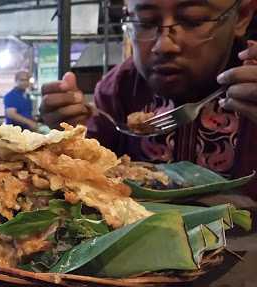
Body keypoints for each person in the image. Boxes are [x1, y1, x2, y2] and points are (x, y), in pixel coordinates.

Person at [39, 0, 257, 199]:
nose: (164, 46)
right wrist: (70, 138)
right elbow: (91, 186)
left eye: (193, 20)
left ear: (242, 16)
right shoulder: (118, 89)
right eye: (145, 22)